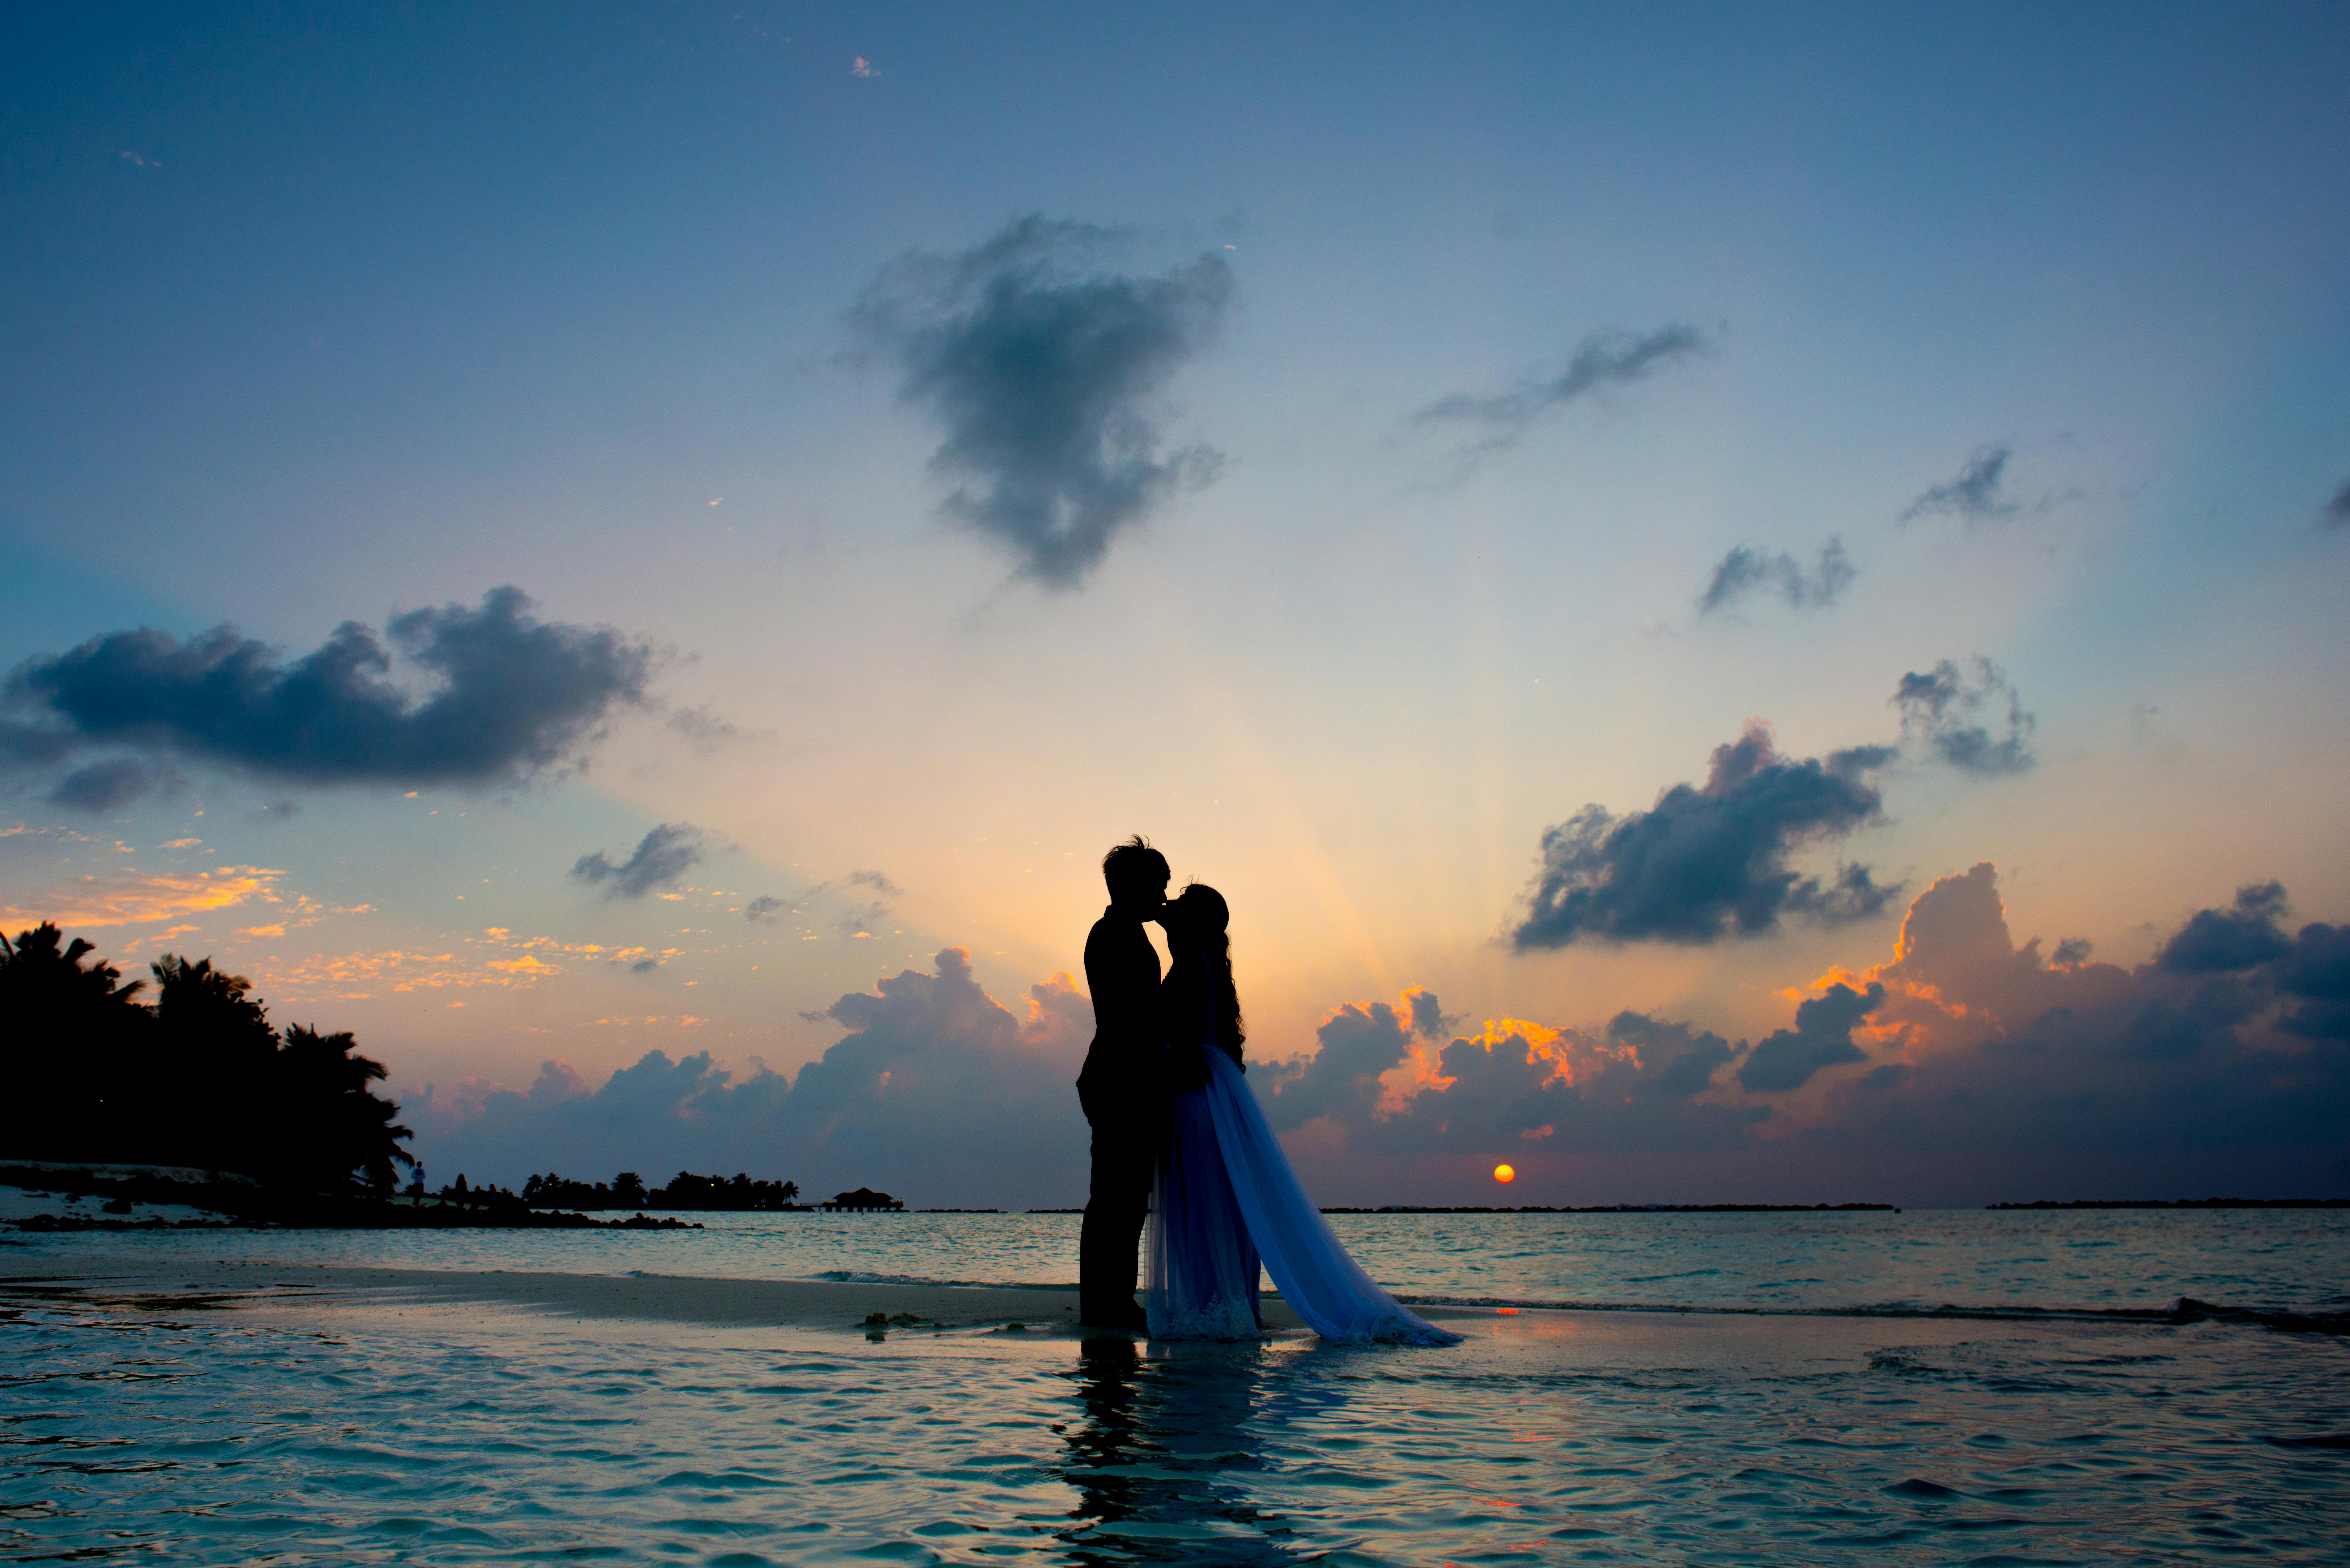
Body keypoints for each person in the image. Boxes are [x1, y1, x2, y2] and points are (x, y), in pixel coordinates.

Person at [1147, 883, 1462, 1346]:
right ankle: (1227, 1303)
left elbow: (1167, 1028)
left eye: (1178, 904)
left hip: (1197, 1093)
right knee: (1218, 1199)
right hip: (1210, 1087)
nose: (1168, 905)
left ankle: (1214, 1306)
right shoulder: (1203, 959)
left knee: (1204, 1196)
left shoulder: (1191, 961)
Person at [1076, 836, 1172, 1330]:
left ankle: (1112, 1297)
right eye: (1158, 885)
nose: (1163, 895)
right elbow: (1129, 1018)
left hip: (1121, 1077)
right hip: (1120, 1080)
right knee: (1116, 1195)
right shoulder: (1114, 934)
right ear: (1136, 885)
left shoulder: (1125, 932)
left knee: (1124, 1196)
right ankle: (1106, 1301)